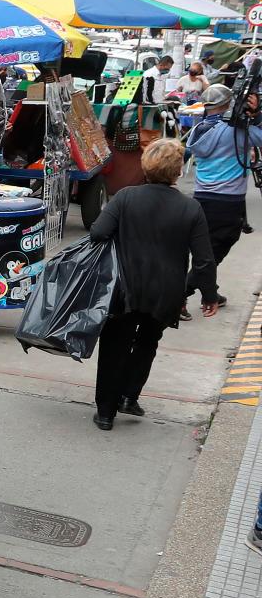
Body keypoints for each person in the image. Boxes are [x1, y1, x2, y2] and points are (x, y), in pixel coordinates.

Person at [87, 138, 218, 430]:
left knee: (114, 345)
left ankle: (106, 413)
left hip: (125, 287)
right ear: (177, 171)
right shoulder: (191, 208)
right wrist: (209, 295)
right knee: (147, 342)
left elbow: (98, 233)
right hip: (166, 291)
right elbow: (204, 261)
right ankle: (129, 397)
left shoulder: (125, 197)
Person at [186, 84, 254, 279]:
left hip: (201, 196)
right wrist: (255, 115)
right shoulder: (236, 131)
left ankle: (211, 292)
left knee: (205, 246)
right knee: (217, 249)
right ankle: (184, 291)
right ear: (229, 103)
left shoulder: (199, 128)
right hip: (229, 200)